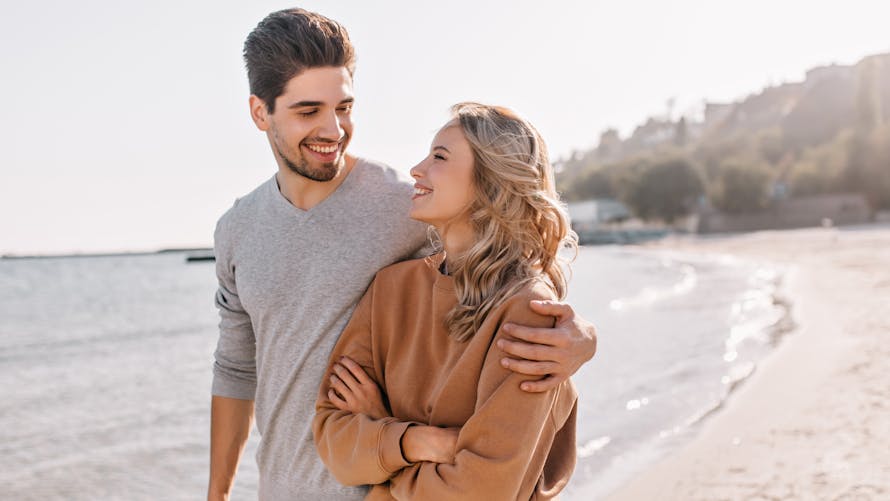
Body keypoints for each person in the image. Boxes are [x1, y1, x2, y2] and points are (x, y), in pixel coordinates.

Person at [209, 8, 597, 501]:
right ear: (260, 112)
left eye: (344, 107)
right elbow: (236, 367)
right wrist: (216, 494)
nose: (334, 128)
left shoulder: (405, 204)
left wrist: (582, 338)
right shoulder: (237, 230)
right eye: (309, 112)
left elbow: (503, 266)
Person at [314, 103, 578, 500]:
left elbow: (478, 492)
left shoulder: (528, 312)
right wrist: (420, 442)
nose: (417, 169)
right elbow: (333, 443)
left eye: (439, 157)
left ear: (491, 182)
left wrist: (382, 444)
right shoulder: (390, 289)